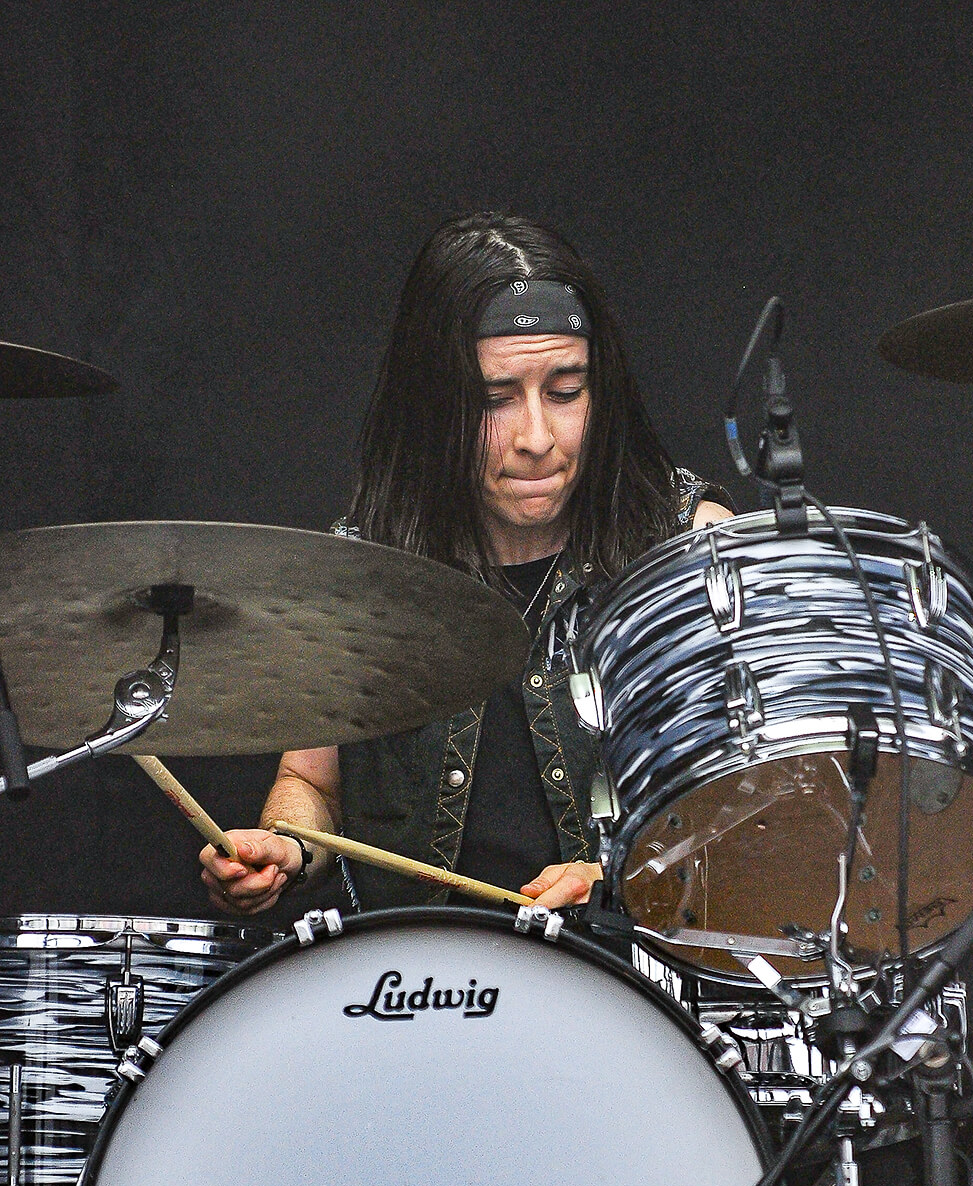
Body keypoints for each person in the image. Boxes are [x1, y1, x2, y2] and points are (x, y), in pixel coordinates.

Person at [200, 212, 730, 916]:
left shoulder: (687, 550)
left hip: (619, 971)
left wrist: (620, 873)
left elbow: (759, 808)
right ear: (434, 405)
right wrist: (286, 849)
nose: (536, 437)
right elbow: (313, 787)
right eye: (494, 400)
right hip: (419, 972)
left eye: (566, 392)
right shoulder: (364, 570)